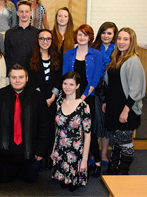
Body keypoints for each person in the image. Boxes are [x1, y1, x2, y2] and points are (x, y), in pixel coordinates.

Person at [0, 64, 49, 184]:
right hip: (5, 152)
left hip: (29, 153)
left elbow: (44, 126)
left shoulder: (38, 97)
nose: (17, 80)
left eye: (21, 77)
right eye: (14, 77)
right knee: (3, 180)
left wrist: (40, 151)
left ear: (26, 78)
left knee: (30, 180)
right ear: (9, 79)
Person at [102, 28, 145, 175]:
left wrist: (126, 110)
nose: (121, 42)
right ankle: (113, 167)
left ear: (131, 41)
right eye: (119, 38)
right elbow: (111, 85)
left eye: (125, 39)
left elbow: (136, 90)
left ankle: (123, 171)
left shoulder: (133, 60)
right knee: (116, 140)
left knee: (125, 142)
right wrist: (106, 101)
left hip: (127, 109)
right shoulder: (117, 58)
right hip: (115, 106)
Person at [63, 24, 102, 177]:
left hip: (88, 98)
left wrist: (83, 97)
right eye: (79, 34)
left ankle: (97, 162)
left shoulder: (96, 54)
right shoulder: (69, 54)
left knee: (88, 132)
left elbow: (95, 78)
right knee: (71, 132)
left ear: (90, 37)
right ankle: (72, 162)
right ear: (76, 36)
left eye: (85, 35)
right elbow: (66, 77)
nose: (82, 37)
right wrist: (71, 98)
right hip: (69, 98)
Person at [51, 71, 91, 192]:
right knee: (62, 185)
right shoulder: (59, 102)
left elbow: (88, 135)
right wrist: (54, 149)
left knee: (72, 188)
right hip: (60, 148)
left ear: (78, 86)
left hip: (75, 151)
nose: (67, 87)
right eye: (65, 83)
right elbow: (57, 128)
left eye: (71, 84)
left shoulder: (84, 106)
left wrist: (84, 160)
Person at [29, 29, 61, 170]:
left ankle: (50, 157)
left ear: (51, 41)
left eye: (48, 39)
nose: (45, 41)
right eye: (42, 38)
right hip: (37, 100)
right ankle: (39, 156)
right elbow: (30, 80)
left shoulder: (58, 57)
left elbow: (59, 79)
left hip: (52, 100)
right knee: (38, 128)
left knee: (50, 129)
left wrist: (52, 97)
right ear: (37, 40)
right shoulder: (30, 57)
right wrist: (42, 99)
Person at [92, 22, 118, 166]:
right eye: (104, 32)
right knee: (97, 122)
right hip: (95, 89)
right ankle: (96, 152)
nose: (106, 36)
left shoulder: (117, 50)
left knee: (107, 123)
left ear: (114, 35)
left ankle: (104, 153)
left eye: (109, 33)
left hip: (111, 91)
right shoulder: (94, 48)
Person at [4, 0, 39, 73]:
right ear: (17, 13)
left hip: (33, 72)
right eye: (21, 11)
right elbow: (7, 55)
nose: (24, 14)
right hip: (14, 72)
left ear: (30, 13)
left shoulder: (37, 33)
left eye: (26, 11)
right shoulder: (9, 33)